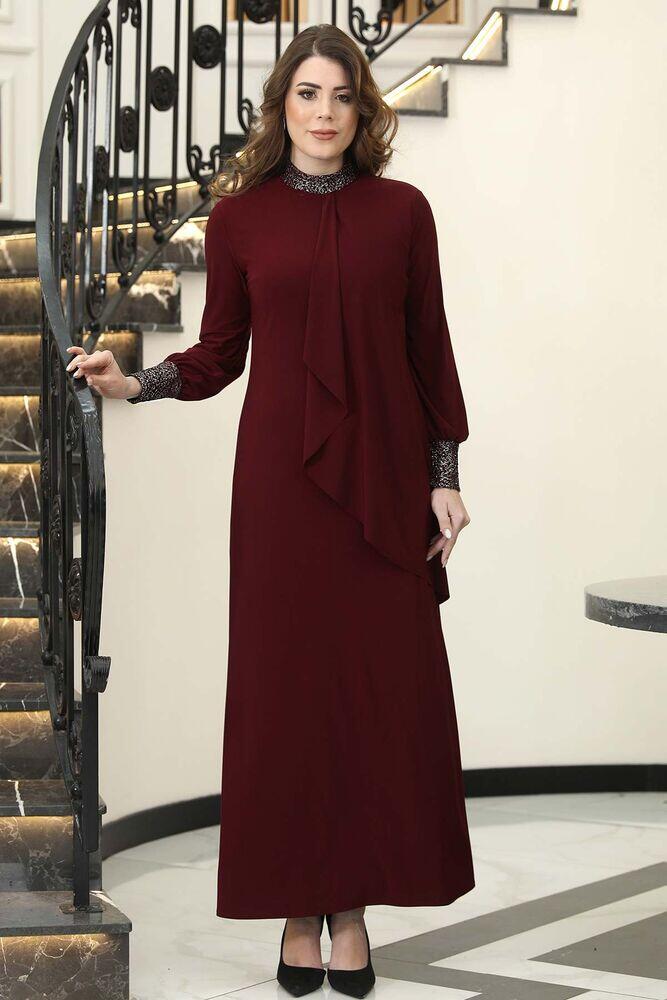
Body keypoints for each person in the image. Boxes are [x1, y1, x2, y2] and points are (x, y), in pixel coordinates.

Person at [66, 23, 475, 999]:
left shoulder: (402, 213)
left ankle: (353, 907)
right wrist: (136, 382)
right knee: (287, 694)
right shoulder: (242, 220)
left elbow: (429, 349)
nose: (324, 113)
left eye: (341, 95)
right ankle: (298, 907)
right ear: (281, 106)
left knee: (375, 694)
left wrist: (443, 472)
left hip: (382, 483)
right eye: (307, 94)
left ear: (361, 109)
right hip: (281, 491)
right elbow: (220, 354)